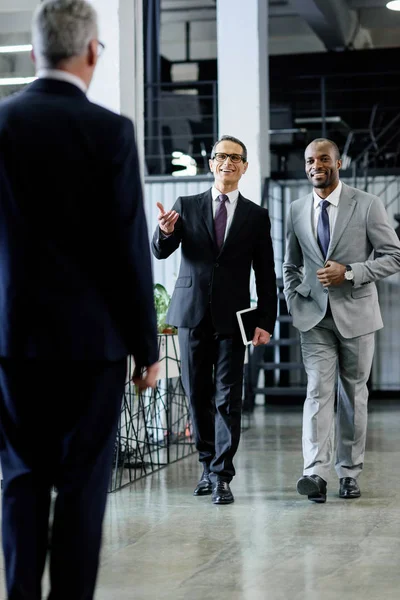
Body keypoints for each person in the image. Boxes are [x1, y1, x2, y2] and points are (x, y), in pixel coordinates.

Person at [0, 1, 159, 598]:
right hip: (93, 348)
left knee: (22, 478)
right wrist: (146, 347)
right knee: (84, 485)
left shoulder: (2, 125)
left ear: (36, 51)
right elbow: (126, 251)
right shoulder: (109, 132)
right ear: (92, 50)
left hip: (14, 340)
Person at [152, 135, 277, 505]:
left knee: (227, 397)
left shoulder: (256, 215)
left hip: (233, 318)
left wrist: (265, 320)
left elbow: (265, 274)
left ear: (244, 166)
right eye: (221, 156)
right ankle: (206, 465)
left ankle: (222, 475)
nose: (228, 162)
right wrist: (165, 231)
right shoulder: (185, 206)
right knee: (197, 395)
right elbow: (160, 252)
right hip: (190, 315)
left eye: (235, 157)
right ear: (211, 163)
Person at [283, 138, 400, 503]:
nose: (315, 165)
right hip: (313, 317)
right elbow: (290, 263)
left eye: (323, 159)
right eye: (309, 160)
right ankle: (314, 473)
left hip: (357, 316)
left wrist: (350, 272)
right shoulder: (296, 208)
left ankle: (348, 472)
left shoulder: (367, 204)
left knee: (352, 396)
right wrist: (292, 299)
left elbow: (394, 255)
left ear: (339, 163)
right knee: (318, 392)